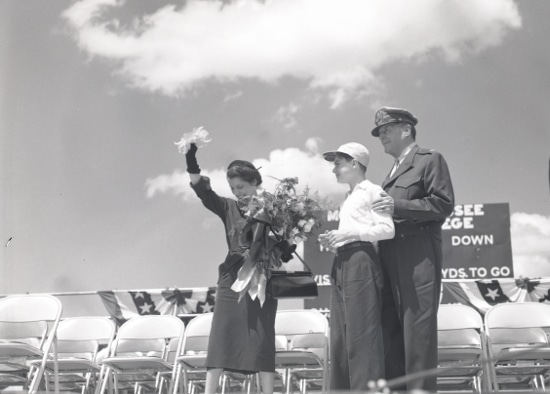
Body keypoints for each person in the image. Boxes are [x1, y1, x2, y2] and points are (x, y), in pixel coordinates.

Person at [370, 106, 455, 391]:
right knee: (391, 333)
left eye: (386, 130)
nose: (381, 136)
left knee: (417, 333)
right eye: (379, 132)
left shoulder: (429, 159)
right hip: (388, 254)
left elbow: (443, 204)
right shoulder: (390, 173)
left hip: (417, 253)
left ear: (406, 129)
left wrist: (398, 205)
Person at [185, 143, 277, 394]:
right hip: (231, 277)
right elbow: (204, 193)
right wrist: (191, 161)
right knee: (221, 335)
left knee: (262, 336)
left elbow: (286, 243)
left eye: (242, 187)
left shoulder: (276, 207)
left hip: (263, 277)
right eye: (233, 188)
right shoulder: (228, 207)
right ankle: (210, 391)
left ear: (256, 182)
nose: (237, 193)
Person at [319, 142, 395, 391]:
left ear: (354, 163)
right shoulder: (348, 197)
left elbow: (387, 229)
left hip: (362, 262)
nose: (334, 169)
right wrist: (335, 240)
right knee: (341, 335)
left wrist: (351, 234)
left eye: (338, 163)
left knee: (363, 334)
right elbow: (351, 233)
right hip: (343, 262)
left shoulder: (373, 190)